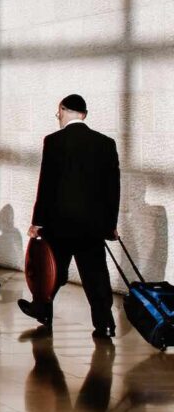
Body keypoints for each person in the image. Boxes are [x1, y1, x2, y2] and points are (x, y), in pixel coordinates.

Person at [18, 94, 120, 339]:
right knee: (96, 276)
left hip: (59, 224)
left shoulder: (54, 141)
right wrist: (110, 225)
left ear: (63, 110)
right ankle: (105, 324)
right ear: (83, 114)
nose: (58, 118)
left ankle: (42, 310)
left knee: (50, 271)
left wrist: (37, 221)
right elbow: (113, 189)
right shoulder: (105, 143)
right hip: (91, 226)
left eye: (58, 113)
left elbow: (47, 184)